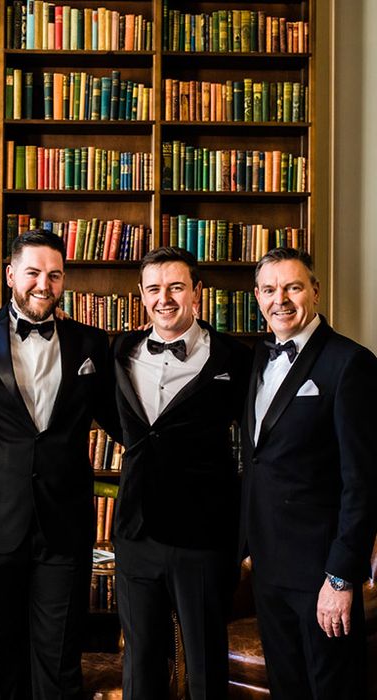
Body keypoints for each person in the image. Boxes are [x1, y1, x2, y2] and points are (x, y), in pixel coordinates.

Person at [0, 228, 118, 699]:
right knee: (0, 655)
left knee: (61, 655)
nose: (44, 283)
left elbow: (125, 423)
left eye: (55, 274)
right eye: (34, 272)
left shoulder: (91, 343)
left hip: (65, 521)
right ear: (9, 275)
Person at [111, 246, 251, 699]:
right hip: (136, 532)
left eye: (176, 286)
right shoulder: (120, 352)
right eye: (154, 288)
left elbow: (258, 443)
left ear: (197, 292)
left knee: (205, 666)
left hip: (204, 536)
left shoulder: (236, 358)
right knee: (141, 662)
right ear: (141, 295)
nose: (164, 298)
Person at [239, 247, 377, 699]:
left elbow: (363, 482)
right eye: (269, 289)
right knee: (287, 688)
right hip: (268, 568)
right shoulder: (257, 361)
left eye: (293, 287)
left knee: (332, 689)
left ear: (314, 292)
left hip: (322, 573)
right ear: (258, 297)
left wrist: (341, 577)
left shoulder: (350, 363)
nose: (280, 299)